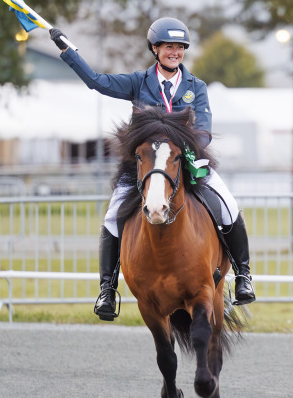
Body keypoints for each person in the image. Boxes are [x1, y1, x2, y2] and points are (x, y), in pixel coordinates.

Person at [49, 17, 256, 321]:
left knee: (228, 206)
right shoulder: (138, 82)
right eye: (169, 46)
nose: (175, 52)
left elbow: (204, 130)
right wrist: (67, 50)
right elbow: (96, 81)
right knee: (112, 216)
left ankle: (243, 276)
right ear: (155, 49)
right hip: (144, 167)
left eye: (180, 47)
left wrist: (189, 152)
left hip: (185, 164)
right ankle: (107, 289)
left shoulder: (195, 87)